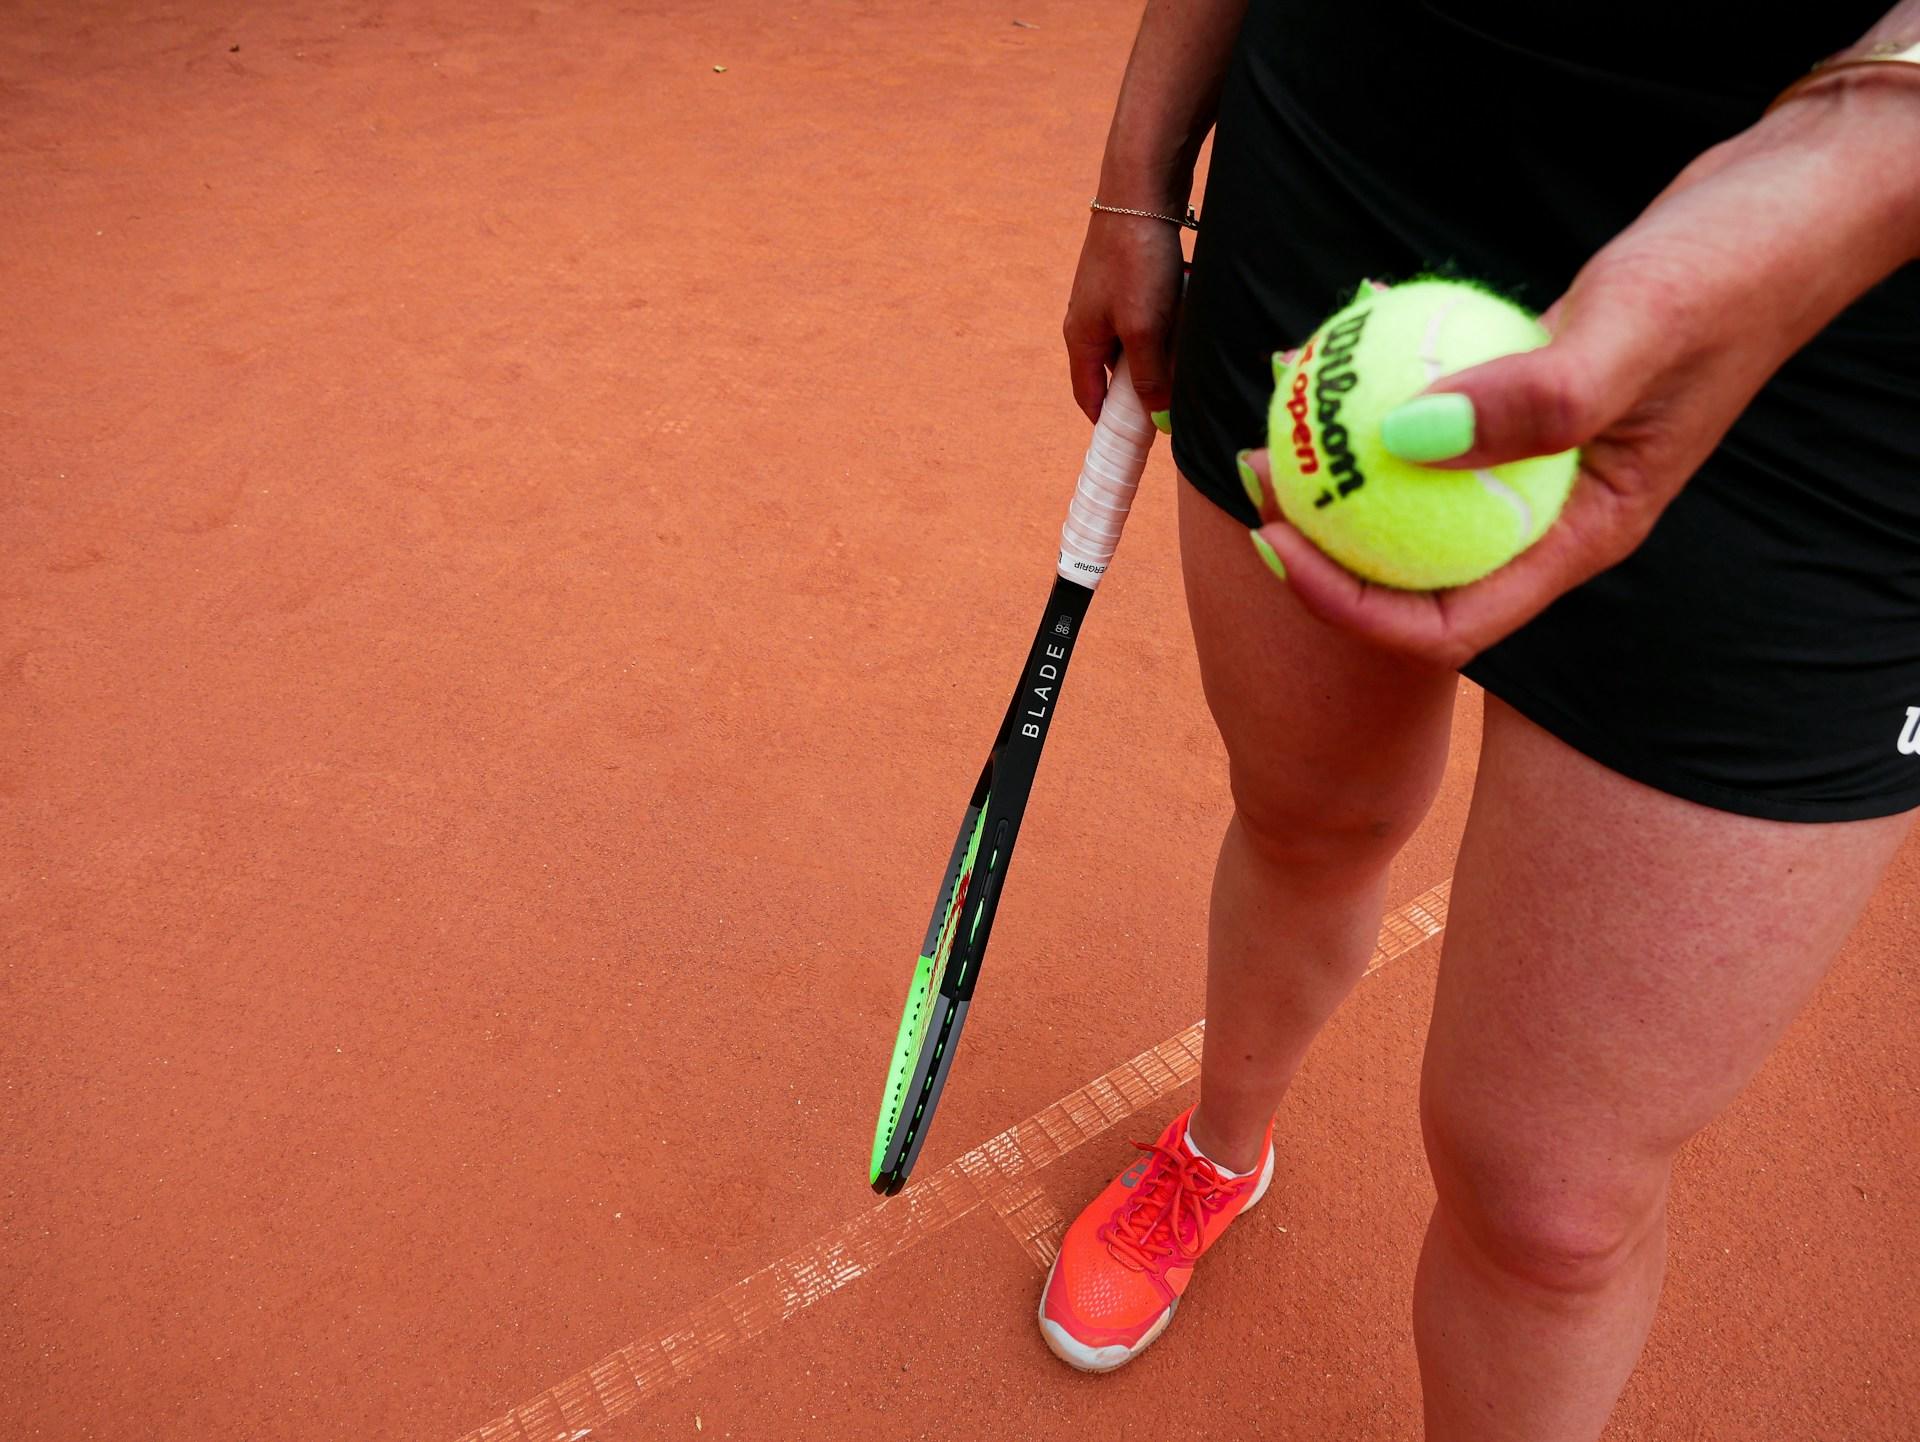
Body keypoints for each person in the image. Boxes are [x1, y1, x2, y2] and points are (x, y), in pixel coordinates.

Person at [1038, 3, 1920, 1436]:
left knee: (1553, 1202)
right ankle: (1221, 1147)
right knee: (1305, 816)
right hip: (1361, 160)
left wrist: (1865, 148)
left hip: (1844, 313)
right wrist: (1136, 175)